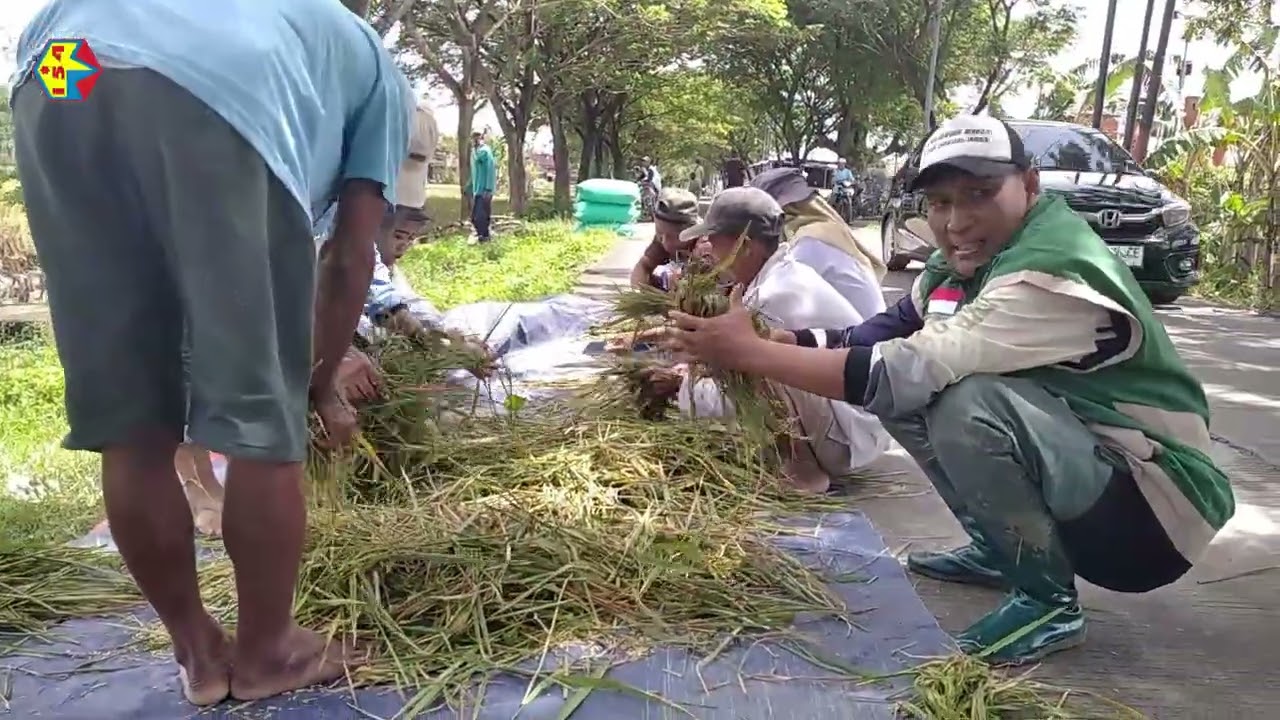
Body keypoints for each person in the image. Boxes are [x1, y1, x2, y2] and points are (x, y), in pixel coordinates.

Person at [664, 115, 1235, 666]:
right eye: (940, 203)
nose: (956, 221)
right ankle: (999, 548)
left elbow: (902, 367)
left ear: (1029, 186)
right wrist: (787, 338)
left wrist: (752, 353)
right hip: (1097, 469)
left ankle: (1047, 605)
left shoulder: (1048, 272)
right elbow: (880, 332)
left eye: (980, 193)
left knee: (964, 400)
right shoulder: (966, 259)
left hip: (1155, 515)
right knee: (918, 391)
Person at [11, 0, 413, 705]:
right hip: (214, 90)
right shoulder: (381, 76)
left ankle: (199, 653)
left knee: (131, 424)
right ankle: (266, 653)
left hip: (57, 71)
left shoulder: (281, 19)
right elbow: (350, 257)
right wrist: (317, 386)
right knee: (261, 417)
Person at [647, 188, 889, 493]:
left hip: (848, 437)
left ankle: (802, 471)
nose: (707, 249)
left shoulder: (774, 296)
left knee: (761, 360)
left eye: (714, 241)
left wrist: (682, 389)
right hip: (845, 422)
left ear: (744, 247)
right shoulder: (769, 278)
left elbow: (741, 387)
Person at [750, 167, 888, 321]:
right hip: (865, 329)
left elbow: (769, 295)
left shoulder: (809, 241)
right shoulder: (825, 231)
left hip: (859, 337)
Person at [629, 189, 701, 291]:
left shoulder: (708, 246)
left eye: (673, 236)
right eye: (660, 233)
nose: (665, 242)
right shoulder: (663, 237)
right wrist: (636, 296)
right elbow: (644, 265)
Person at [470, 130, 497, 243]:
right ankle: (484, 236)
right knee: (477, 216)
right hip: (478, 189)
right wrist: (469, 186)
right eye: (473, 137)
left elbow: (490, 170)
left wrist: (488, 188)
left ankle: (484, 237)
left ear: (481, 138)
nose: (475, 140)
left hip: (484, 189)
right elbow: (475, 171)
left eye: (477, 137)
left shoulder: (484, 151)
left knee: (480, 216)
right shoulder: (476, 151)